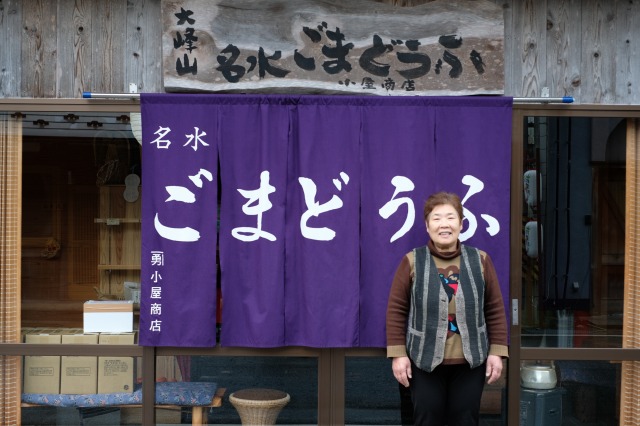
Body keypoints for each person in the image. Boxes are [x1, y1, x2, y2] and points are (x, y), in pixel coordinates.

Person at [386, 191, 508, 426]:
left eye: (451, 218)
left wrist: (497, 352)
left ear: (461, 224)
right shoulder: (412, 261)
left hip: (470, 361)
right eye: (437, 218)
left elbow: (494, 308)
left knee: (465, 419)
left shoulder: (480, 259)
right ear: (427, 225)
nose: (444, 224)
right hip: (424, 360)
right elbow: (396, 309)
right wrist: (399, 355)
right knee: (426, 417)